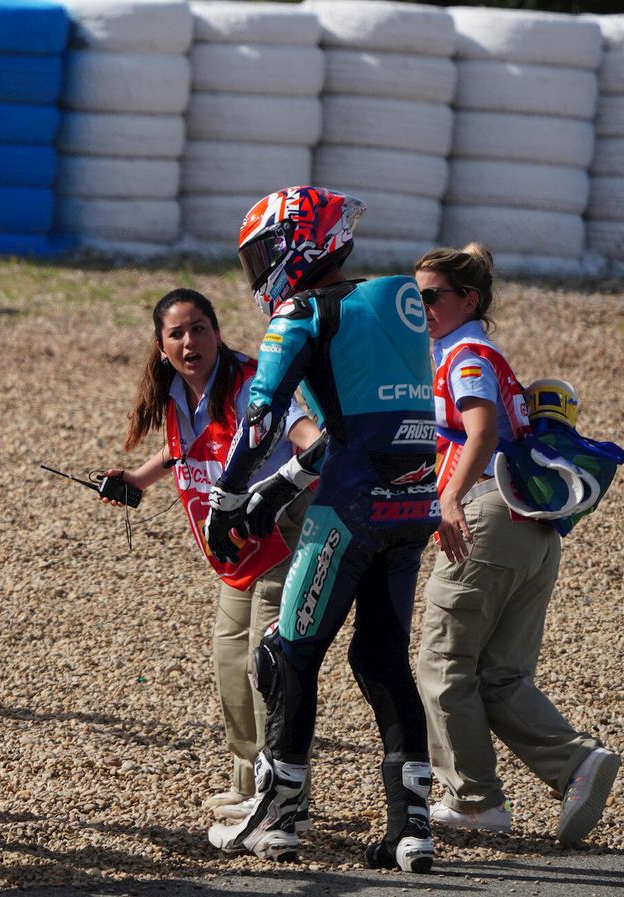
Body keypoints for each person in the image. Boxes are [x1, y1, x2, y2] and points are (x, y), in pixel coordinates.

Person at [204, 186, 437, 872]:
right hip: (410, 507)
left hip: (348, 510)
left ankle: (277, 819)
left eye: (263, 255)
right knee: (382, 658)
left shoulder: (302, 312)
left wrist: (228, 498)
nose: (259, 272)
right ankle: (413, 828)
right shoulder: (393, 302)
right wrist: (276, 489)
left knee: (286, 655)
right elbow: (358, 428)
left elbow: (260, 417)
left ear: (297, 246)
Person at [413, 243, 620, 846]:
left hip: (487, 516)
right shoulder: (477, 353)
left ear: (468, 300)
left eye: (430, 297)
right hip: (530, 527)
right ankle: (577, 762)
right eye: (413, 297)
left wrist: (450, 499)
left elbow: (480, 432)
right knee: (500, 676)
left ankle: (474, 801)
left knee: (443, 665)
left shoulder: (466, 356)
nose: (419, 308)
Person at [100, 288, 320, 825]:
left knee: (267, 664)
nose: (189, 341)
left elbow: (305, 434)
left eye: (199, 328)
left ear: (217, 333)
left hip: (280, 530)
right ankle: (248, 780)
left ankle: (284, 793)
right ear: (161, 347)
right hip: (234, 549)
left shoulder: (251, 383)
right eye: (176, 333)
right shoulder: (177, 390)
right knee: (231, 661)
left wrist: (312, 453)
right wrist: (138, 479)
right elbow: (186, 447)